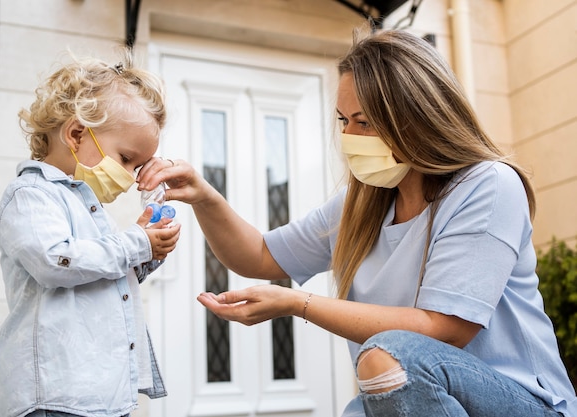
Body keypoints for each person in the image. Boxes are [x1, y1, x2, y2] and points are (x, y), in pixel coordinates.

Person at [138, 29, 577, 416]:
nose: (349, 137)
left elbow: (445, 328)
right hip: (415, 394)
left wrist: (296, 304)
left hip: (523, 403)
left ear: (417, 115)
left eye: (364, 122)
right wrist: (204, 195)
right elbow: (258, 256)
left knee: (392, 355)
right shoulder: (362, 205)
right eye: (344, 121)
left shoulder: (487, 185)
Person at [0, 52, 181, 417]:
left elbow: (106, 275)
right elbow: (55, 261)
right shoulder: (31, 195)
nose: (130, 175)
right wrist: (134, 244)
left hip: (100, 394)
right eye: (126, 158)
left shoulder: (88, 206)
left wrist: (149, 252)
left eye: (137, 166)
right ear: (77, 134)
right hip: (57, 396)